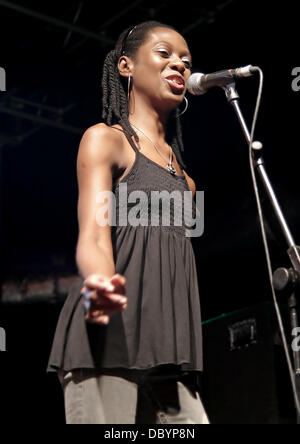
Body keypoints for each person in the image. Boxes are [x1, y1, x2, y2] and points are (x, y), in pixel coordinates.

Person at [47, 20, 209, 425]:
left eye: (186, 61)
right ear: (126, 66)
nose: (179, 65)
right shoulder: (106, 140)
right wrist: (100, 281)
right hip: (110, 339)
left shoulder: (187, 184)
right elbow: (93, 237)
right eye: (164, 53)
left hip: (169, 352)